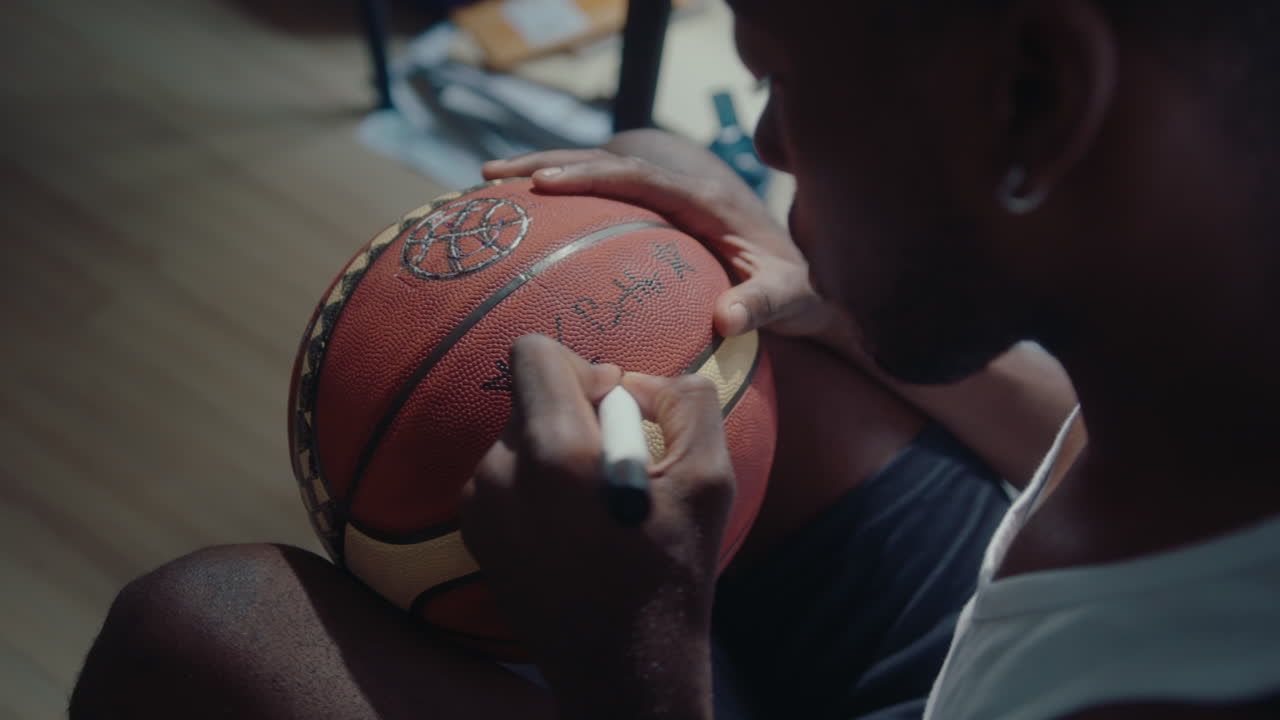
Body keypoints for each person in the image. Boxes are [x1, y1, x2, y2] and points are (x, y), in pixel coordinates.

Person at [72, 0, 1280, 716]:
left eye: (784, 78)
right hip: (990, 614)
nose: (762, 139)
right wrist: (821, 289)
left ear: (1028, 95)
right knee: (730, 322)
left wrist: (635, 659)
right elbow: (1071, 431)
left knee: (201, 624)